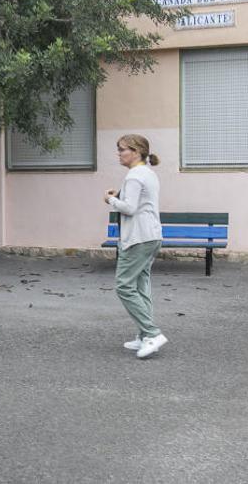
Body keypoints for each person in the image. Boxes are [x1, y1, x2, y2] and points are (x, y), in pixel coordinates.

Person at [104, 134, 166, 359]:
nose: (119, 153)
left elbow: (129, 208)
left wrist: (110, 199)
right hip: (151, 236)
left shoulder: (134, 176)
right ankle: (144, 335)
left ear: (136, 151)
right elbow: (138, 204)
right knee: (141, 285)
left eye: (122, 149)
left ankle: (152, 333)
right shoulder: (148, 173)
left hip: (138, 238)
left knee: (123, 286)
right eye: (118, 149)